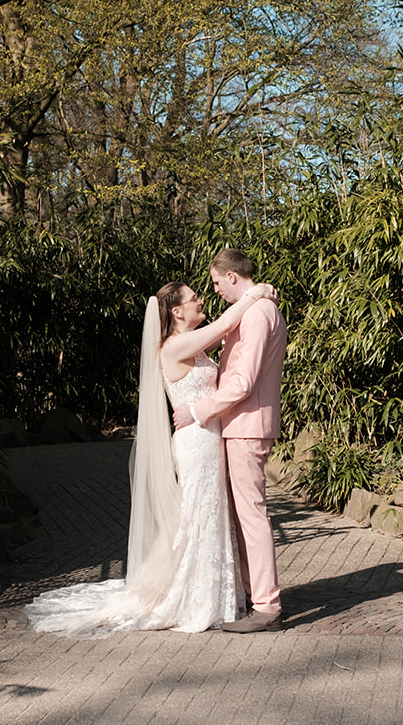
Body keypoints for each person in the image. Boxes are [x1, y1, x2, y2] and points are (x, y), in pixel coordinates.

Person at [24, 277, 278, 638]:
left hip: (210, 439)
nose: (201, 300)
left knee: (211, 514)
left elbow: (229, 332)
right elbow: (226, 324)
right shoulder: (176, 345)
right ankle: (196, 600)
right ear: (176, 311)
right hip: (196, 443)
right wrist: (256, 293)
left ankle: (219, 596)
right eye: (194, 298)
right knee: (200, 516)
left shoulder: (195, 342)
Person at [173, 247, 288, 633]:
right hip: (241, 424)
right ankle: (252, 596)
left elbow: (243, 381)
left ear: (233, 277)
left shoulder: (257, 314)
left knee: (252, 516)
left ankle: (267, 606)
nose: (216, 290)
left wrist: (199, 410)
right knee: (243, 516)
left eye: (218, 282)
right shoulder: (255, 309)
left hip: (247, 424)